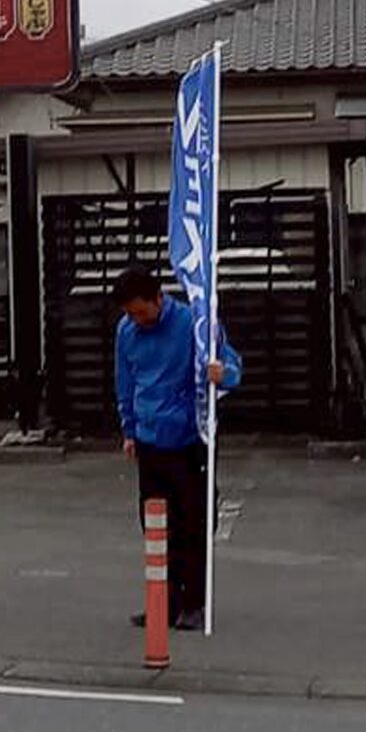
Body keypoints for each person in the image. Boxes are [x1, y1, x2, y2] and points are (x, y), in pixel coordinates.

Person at [113, 266, 242, 632]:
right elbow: (125, 382)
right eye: (129, 314)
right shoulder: (126, 332)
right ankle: (163, 601)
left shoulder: (193, 324)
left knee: (193, 523)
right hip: (150, 440)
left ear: (159, 298)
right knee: (154, 525)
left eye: (141, 311)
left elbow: (232, 364)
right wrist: (129, 429)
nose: (136, 319)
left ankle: (194, 603)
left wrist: (224, 374)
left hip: (190, 441)